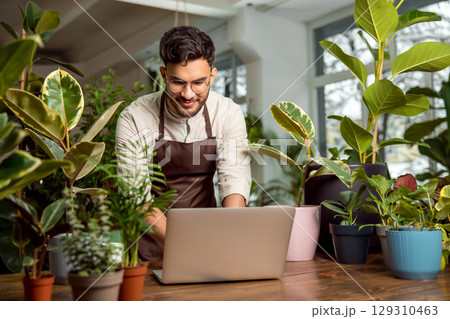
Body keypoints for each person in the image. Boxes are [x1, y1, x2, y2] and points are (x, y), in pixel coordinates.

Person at [115, 26, 251, 260]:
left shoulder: (227, 113)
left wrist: (228, 235)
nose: (188, 94)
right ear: (164, 75)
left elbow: (234, 179)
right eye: (178, 83)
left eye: (198, 83)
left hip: (209, 241)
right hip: (149, 249)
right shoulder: (135, 117)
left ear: (213, 76)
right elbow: (135, 196)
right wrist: (188, 247)